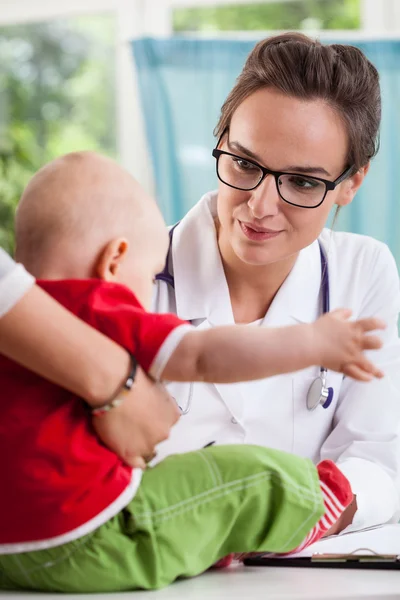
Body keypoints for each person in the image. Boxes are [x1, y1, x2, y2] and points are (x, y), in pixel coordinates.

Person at [0, 152, 383, 592]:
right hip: (89, 539)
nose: (149, 290)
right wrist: (312, 343)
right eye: (147, 273)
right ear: (114, 260)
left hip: (10, 552)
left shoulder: (16, 331)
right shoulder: (96, 306)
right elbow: (204, 355)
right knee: (246, 476)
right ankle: (316, 504)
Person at [152, 32, 400, 535]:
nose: (261, 206)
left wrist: (308, 514)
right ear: (220, 141)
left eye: (303, 182)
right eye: (245, 163)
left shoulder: (362, 271)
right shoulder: (136, 272)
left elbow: (376, 458)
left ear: (351, 183)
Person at [0, 248, 179, 468]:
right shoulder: (114, 316)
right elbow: (198, 354)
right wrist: (120, 387)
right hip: (99, 496)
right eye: (152, 277)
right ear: (113, 263)